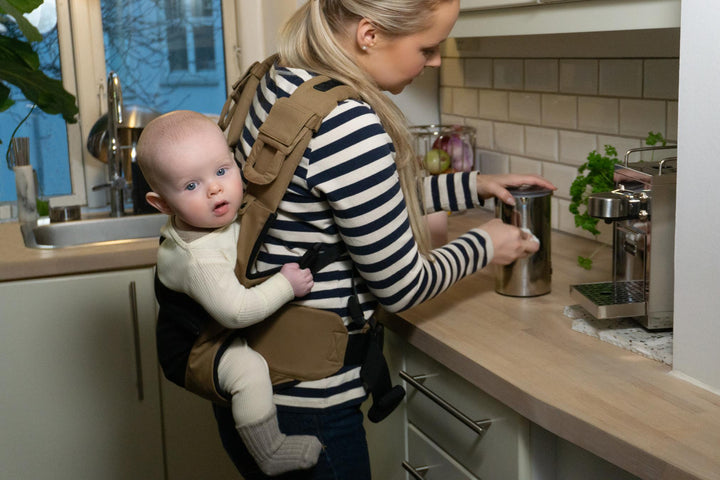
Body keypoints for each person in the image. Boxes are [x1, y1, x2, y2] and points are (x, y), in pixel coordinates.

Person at [212, 0, 558, 478]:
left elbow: (346, 196)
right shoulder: (348, 123)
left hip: (253, 388)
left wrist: (469, 186)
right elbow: (402, 286)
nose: (434, 61)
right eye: (428, 47)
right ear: (369, 34)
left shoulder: (281, 78)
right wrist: (485, 244)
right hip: (309, 408)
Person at [135, 110, 323, 476]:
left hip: (207, 327)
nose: (214, 189)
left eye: (222, 171)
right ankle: (269, 450)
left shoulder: (210, 216)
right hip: (193, 348)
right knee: (248, 369)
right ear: (163, 205)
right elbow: (236, 312)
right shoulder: (198, 260)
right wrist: (286, 285)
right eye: (191, 186)